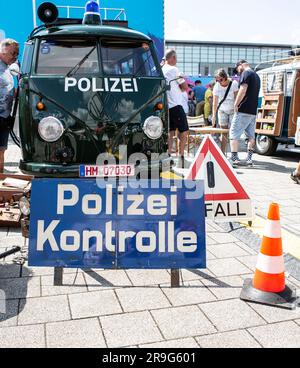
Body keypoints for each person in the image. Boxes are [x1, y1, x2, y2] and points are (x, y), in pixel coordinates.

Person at [230, 60, 261, 167]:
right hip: (253, 110)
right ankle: (249, 160)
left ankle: (234, 159)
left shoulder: (246, 73)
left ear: (241, 65)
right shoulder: (256, 76)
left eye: (238, 69)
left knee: (234, 134)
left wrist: (236, 104)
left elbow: (243, 90)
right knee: (251, 136)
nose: (238, 72)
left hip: (243, 109)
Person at [162, 49, 189, 168]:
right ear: (172, 58)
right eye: (176, 58)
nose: (176, 60)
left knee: (170, 131)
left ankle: (168, 156)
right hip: (176, 104)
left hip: (166, 106)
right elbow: (184, 87)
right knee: (184, 131)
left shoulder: (161, 69)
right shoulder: (174, 69)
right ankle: (181, 157)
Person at [0, 39, 19, 173]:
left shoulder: (8, 68)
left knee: (2, 149)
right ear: (3, 51)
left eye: (17, 54)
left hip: (4, 115)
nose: (15, 57)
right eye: (13, 53)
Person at [213, 69, 239, 153]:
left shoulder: (234, 84)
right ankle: (222, 153)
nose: (219, 82)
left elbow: (236, 98)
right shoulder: (217, 86)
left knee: (233, 133)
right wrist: (213, 115)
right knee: (223, 132)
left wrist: (236, 111)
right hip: (222, 110)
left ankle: (233, 154)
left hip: (232, 110)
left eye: (220, 79)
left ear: (225, 77)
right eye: (217, 80)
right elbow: (215, 102)